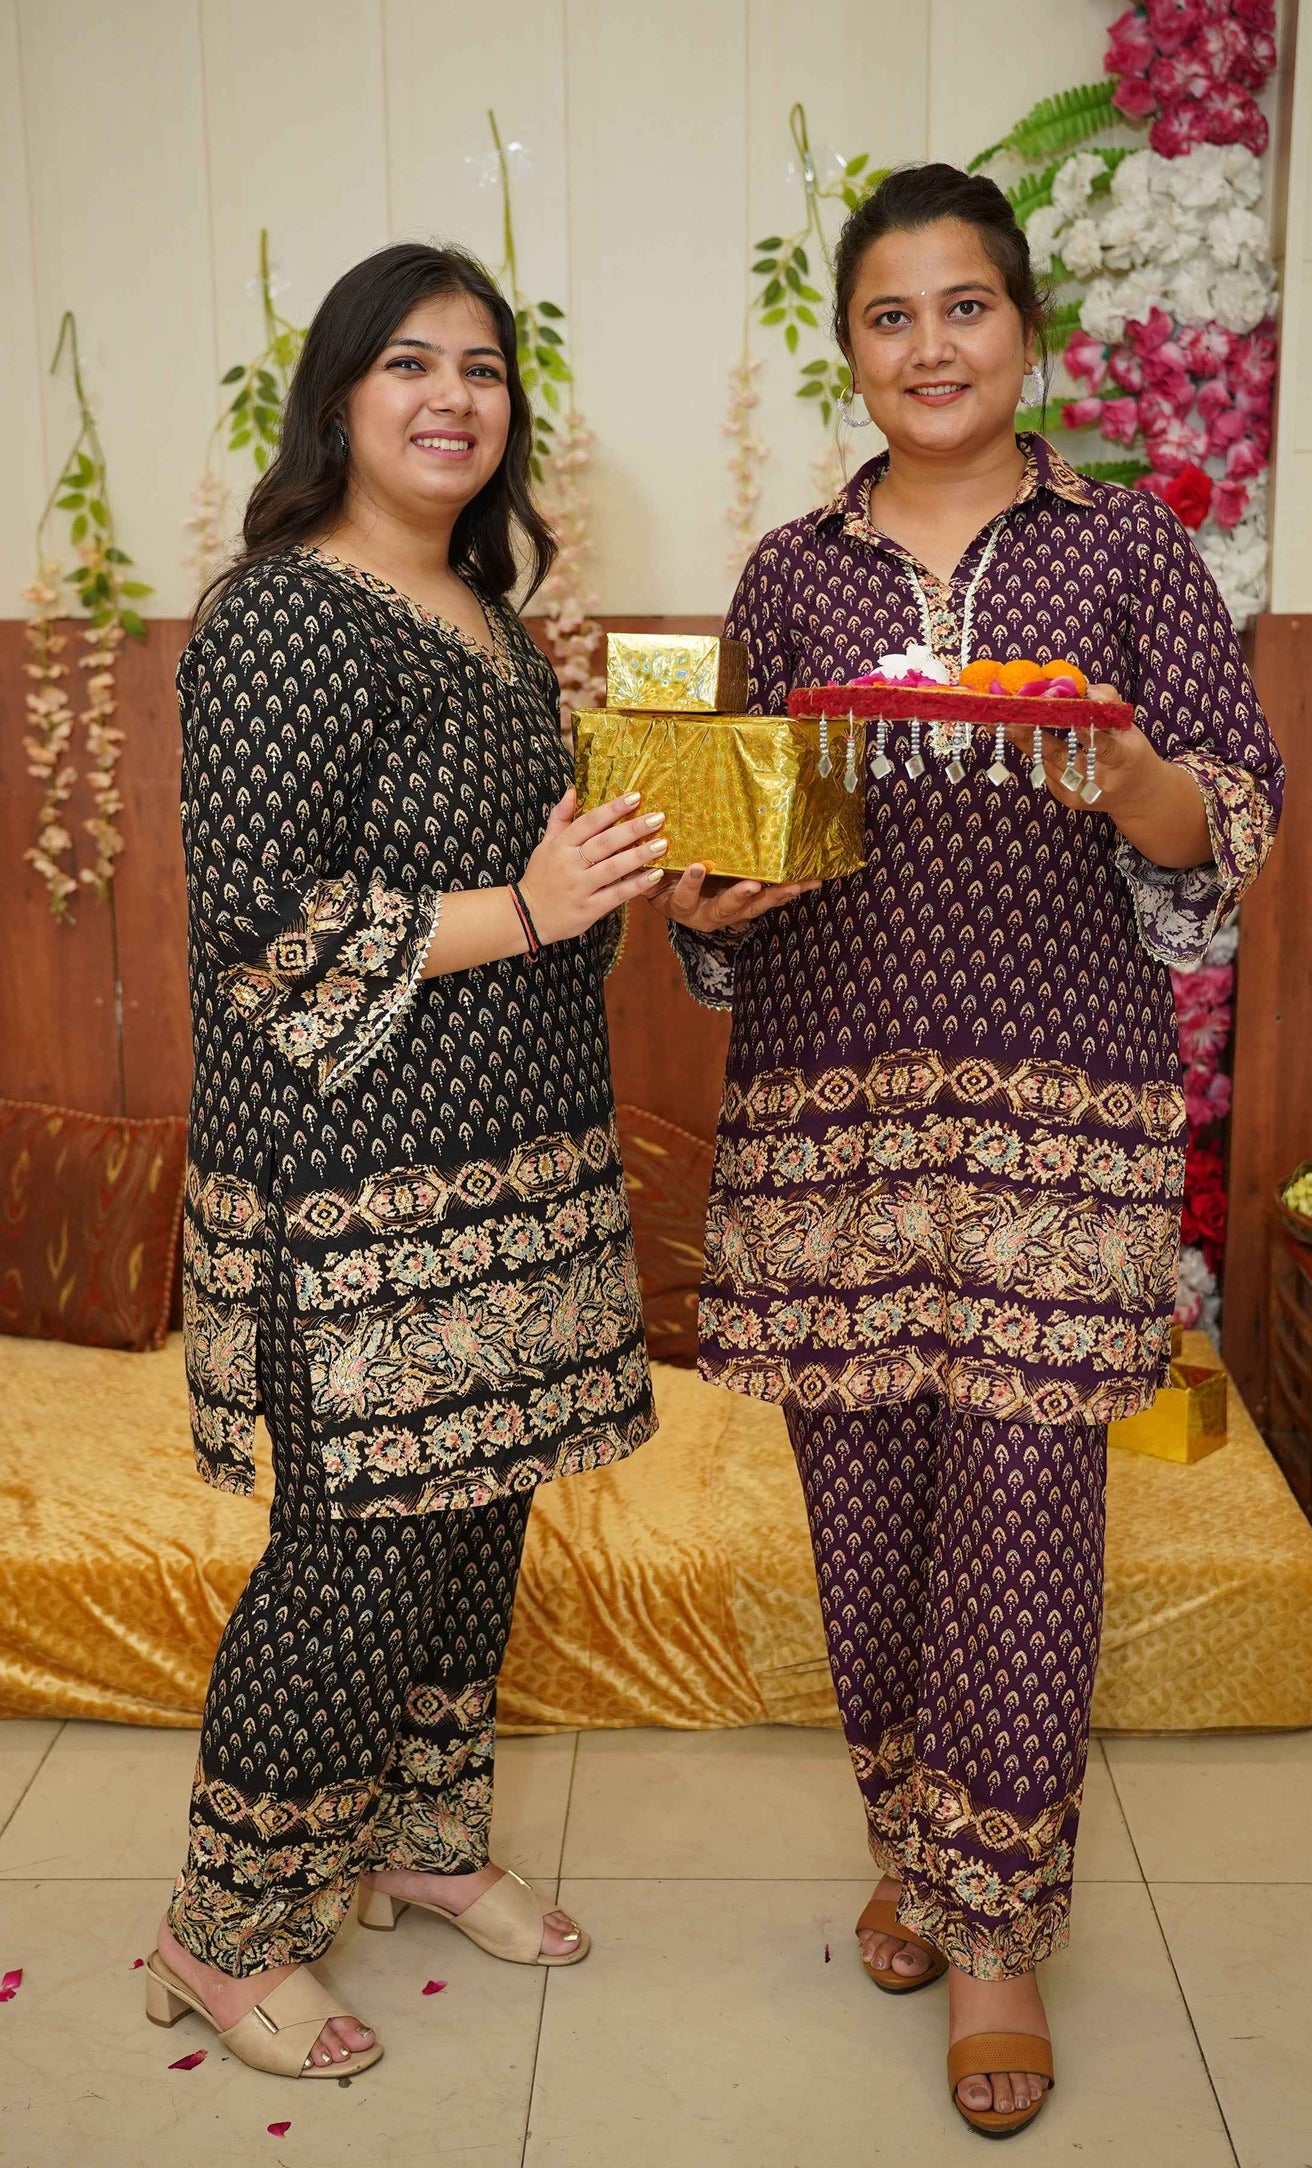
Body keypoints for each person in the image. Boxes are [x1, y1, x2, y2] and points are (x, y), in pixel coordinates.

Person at [655, 164, 1282, 2137]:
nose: (929, 346)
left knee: (1020, 1510)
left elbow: (1231, 820)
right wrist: (710, 897)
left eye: (964, 307)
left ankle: (997, 1928)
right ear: (849, 349)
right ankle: (913, 1846)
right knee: (860, 1515)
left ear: (1026, 328)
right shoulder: (790, 574)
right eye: (888, 316)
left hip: (1056, 1107)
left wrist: (1128, 769)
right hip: (826, 1110)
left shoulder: (1129, 552)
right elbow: (729, 844)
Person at [144, 242, 667, 2081]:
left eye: (484, 367)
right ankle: (221, 1930)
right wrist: (530, 904)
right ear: (341, 398)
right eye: (410, 363)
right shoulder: (283, 615)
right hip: (348, 1191)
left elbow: (547, 896)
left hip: (513, 1163)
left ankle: (419, 1843)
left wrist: (623, 879)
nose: (454, 397)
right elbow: (260, 931)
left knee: (477, 1528)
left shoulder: (490, 617)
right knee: (354, 1559)